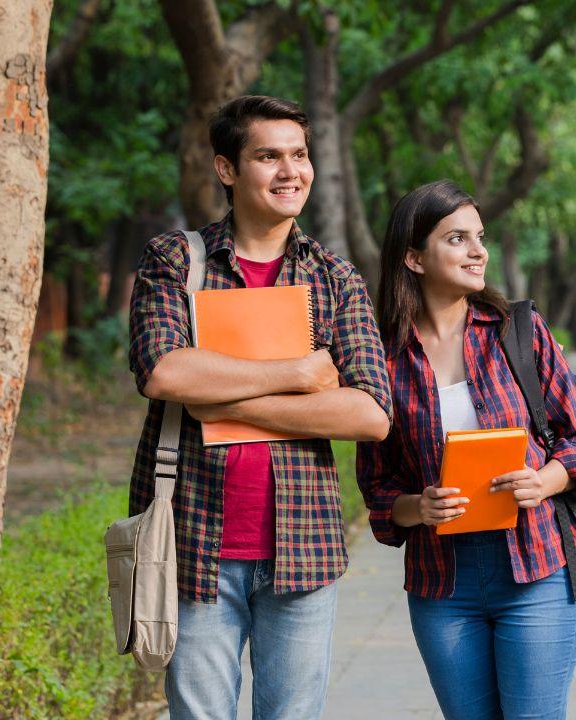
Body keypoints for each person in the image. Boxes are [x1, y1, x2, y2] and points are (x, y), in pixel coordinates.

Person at [128, 95, 391, 720]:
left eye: (298, 155)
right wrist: (299, 374)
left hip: (304, 542)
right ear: (226, 169)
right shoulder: (178, 263)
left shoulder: (334, 278)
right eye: (267, 156)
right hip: (193, 540)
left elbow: (370, 414)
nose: (289, 171)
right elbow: (165, 371)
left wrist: (222, 396)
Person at [356, 180, 576, 720]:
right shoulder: (381, 356)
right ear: (414, 258)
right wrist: (418, 507)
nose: (478, 251)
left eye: (480, 237)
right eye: (457, 238)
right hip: (442, 583)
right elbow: (377, 490)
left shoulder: (517, 330)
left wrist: (545, 480)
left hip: (535, 565)